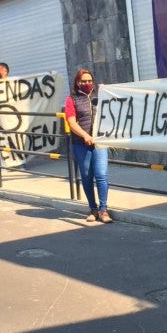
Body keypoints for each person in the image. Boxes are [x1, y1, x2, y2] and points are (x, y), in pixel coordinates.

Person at [64, 68, 112, 223]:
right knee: (86, 176)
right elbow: (71, 122)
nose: (87, 83)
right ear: (77, 82)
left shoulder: (100, 96)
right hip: (81, 144)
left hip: (100, 142)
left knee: (101, 175)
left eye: (89, 80)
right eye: (83, 81)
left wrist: (108, 92)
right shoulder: (71, 99)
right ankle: (93, 209)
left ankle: (103, 210)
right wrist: (85, 135)